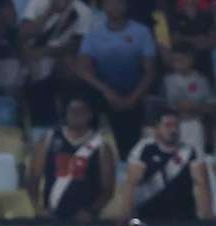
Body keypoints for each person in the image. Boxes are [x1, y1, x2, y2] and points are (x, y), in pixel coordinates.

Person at [76, 0, 157, 159]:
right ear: (103, 6)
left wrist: (132, 98)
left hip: (132, 92)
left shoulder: (142, 32)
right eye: (110, 3)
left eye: (119, 3)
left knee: (129, 148)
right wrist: (107, 91)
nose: (115, 7)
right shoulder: (94, 32)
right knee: (84, 100)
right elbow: (82, 68)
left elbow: (150, 71)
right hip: (102, 91)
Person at [27, 94, 116, 222]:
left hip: (85, 219)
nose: (76, 115)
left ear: (90, 115)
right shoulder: (49, 139)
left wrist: (91, 211)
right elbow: (33, 176)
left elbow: (108, 188)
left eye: (81, 111)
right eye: (72, 110)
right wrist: (38, 209)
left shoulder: (101, 146)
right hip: (51, 216)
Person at [117, 109, 213, 222]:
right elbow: (131, 185)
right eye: (168, 125)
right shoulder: (144, 150)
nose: (173, 130)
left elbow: (202, 185)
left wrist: (205, 219)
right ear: (157, 129)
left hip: (184, 218)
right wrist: (126, 216)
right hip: (149, 217)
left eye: (176, 125)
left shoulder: (191, 152)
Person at [20, 0, 92, 128]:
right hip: (32, 61)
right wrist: (50, 12)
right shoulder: (37, 3)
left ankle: (67, 122)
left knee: (70, 68)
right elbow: (25, 33)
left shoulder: (84, 11)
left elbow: (76, 45)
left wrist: (46, 52)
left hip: (62, 61)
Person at [163, 43, 213, 153]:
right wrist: (178, 108)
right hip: (173, 128)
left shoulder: (202, 80)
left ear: (191, 59)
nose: (178, 62)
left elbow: (212, 106)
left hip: (198, 126)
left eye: (182, 58)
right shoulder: (166, 81)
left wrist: (196, 108)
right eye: (175, 59)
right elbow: (161, 106)